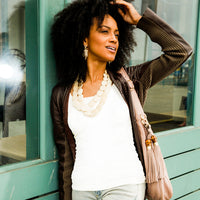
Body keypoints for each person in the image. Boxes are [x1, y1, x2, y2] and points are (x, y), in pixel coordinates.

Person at [50, 0, 192, 200]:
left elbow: (180, 51)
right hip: (82, 189)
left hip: (125, 186)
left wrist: (139, 20)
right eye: (105, 31)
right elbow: (65, 160)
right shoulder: (61, 94)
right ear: (84, 38)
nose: (114, 39)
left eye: (117, 34)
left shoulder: (130, 80)